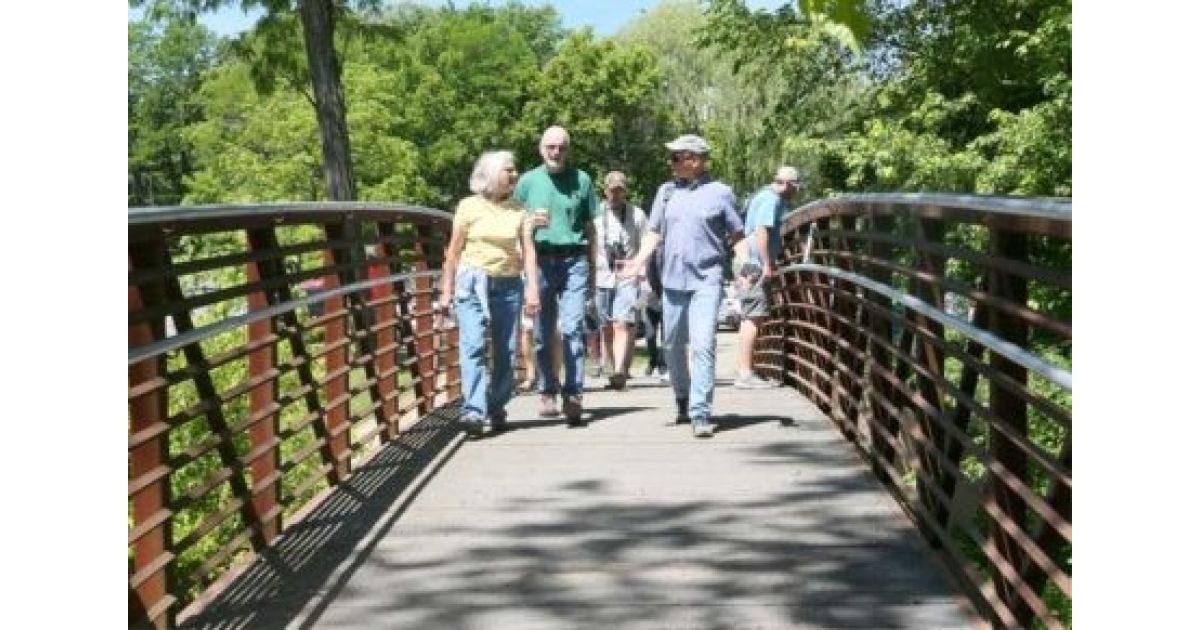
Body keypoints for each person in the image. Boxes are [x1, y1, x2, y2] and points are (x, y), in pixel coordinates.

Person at [620, 134, 744, 438]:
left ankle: (700, 413)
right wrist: (637, 263)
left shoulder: (720, 193)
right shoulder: (665, 192)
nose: (672, 162)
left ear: (697, 160)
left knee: (703, 345)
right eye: (672, 157)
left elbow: (738, 237)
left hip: (707, 279)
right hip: (672, 281)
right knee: (672, 345)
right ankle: (683, 399)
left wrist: (745, 266)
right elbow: (654, 234)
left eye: (678, 157)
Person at [438, 150, 544, 438]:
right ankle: (473, 410)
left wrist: (533, 289)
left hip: (508, 284)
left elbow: (529, 251)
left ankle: (495, 405)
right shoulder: (468, 207)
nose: (514, 175)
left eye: (515, 170)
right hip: (472, 283)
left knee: (505, 353)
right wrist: (446, 291)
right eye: (508, 170)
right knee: (472, 345)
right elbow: (453, 251)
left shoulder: (520, 210)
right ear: (491, 174)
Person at [515, 126, 599, 427]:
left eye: (561, 147)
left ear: (568, 149)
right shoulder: (527, 182)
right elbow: (512, 223)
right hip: (539, 260)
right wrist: (527, 225)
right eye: (550, 147)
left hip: (574, 259)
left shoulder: (583, 180)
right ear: (541, 149)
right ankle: (547, 390)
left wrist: (594, 268)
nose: (556, 152)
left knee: (573, 327)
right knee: (541, 332)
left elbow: (590, 229)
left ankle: (574, 392)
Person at [734, 166, 802, 389]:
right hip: (753, 265)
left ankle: (746, 370)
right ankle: (744, 373)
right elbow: (761, 230)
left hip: (751, 263)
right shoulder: (770, 200)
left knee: (752, 316)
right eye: (796, 187)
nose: (796, 193)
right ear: (787, 184)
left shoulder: (765, 196)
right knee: (752, 317)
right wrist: (766, 263)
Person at [592, 171, 647, 390]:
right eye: (612, 190)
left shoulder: (637, 215)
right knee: (606, 326)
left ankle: (620, 372)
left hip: (627, 275)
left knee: (622, 323)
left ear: (625, 191)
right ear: (605, 190)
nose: (615, 194)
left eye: (619, 190)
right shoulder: (595, 213)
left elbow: (646, 243)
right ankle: (614, 369)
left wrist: (641, 270)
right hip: (601, 274)